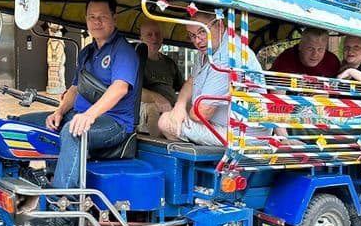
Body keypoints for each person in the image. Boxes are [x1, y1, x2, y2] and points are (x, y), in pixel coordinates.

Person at [24, 0, 139, 226]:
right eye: (91, 17)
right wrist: (58, 112)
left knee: (73, 131)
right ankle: (25, 187)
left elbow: (120, 87)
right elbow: (75, 88)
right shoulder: (87, 52)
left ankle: (63, 211)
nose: (96, 22)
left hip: (115, 124)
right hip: (81, 114)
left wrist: (88, 115)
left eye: (102, 17)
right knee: (23, 125)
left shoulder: (124, 51)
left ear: (114, 19)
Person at [158, 11, 262, 146]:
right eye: (192, 35)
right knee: (173, 113)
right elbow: (191, 81)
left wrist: (177, 114)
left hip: (240, 134)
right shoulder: (208, 49)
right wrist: (179, 106)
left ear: (219, 24)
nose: (197, 40)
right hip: (223, 126)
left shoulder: (228, 55)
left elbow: (201, 113)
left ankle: (192, 165)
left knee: (165, 121)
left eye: (202, 32)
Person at [137, 20, 183, 137]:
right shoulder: (135, 61)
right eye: (149, 35)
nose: (154, 38)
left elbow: (182, 88)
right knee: (152, 109)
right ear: (141, 38)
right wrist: (156, 97)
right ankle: (160, 147)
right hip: (145, 106)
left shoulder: (169, 63)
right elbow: (131, 90)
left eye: (157, 34)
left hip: (171, 106)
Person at [270, 27, 340, 77]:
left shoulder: (332, 62)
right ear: (300, 46)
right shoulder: (286, 59)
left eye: (320, 49)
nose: (315, 54)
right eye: (310, 48)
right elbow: (277, 93)